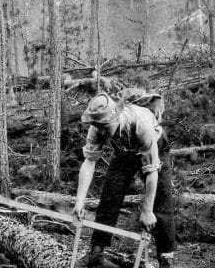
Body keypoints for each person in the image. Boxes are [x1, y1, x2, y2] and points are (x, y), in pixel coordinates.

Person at [73, 91, 175, 268]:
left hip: (154, 146)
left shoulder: (142, 124)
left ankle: (166, 258)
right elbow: (89, 162)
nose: (102, 131)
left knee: (161, 201)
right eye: (99, 127)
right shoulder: (97, 126)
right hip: (124, 152)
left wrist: (147, 210)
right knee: (109, 196)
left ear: (116, 118)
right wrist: (79, 201)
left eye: (106, 127)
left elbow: (152, 172)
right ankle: (96, 253)